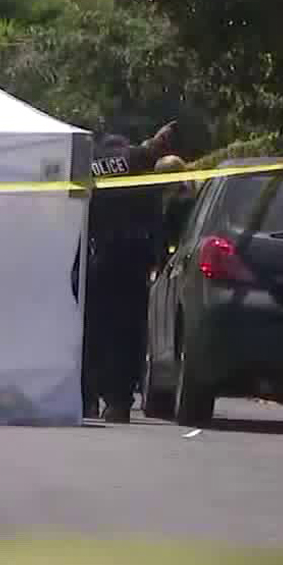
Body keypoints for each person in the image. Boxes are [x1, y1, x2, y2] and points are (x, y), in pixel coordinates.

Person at [82, 120, 178, 422]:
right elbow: (157, 217)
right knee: (127, 333)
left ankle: (87, 400)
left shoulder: (89, 160)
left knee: (91, 330)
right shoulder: (138, 162)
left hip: (95, 259)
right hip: (133, 262)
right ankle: (119, 401)